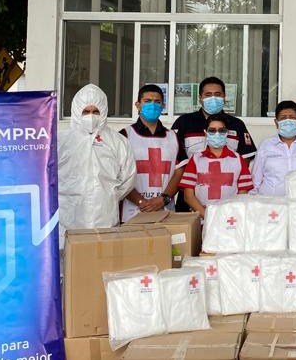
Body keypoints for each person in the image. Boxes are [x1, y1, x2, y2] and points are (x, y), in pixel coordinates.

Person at [57, 83, 136, 244]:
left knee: (103, 254)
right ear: (76, 111)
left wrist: (109, 195)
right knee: (69, 256)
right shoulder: (60, 141)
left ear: (104, 111)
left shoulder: (118, 141)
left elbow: (128, 178)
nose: (91, 116)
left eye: (96, 112)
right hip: (69, 216)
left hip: (105, 216)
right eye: (86, 111)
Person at [172, 76, 257, 210]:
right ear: (200, 98)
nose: (213, 98)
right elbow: (176, 161)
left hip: (228, 199)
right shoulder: (184, 122)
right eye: (208, 95)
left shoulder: (237, 124)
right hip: (189, 196)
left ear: (224, 96)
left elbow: (244, 160)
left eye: (217, 94)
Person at [120, 83, 183, 222]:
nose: (153, 105)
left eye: (157, 102)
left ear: (163, 106)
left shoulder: (173, 136)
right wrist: (141, 202)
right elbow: (118, 173)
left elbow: (180, 171)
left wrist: (163, 199)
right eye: (147, 101)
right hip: (132, 212)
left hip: (166, 211)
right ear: (138, 105)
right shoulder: (124, 135)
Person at [178, 113, 253, 217]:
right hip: (203, 219)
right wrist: (208, 216)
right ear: (205, 133)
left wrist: (227, 216)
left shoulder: (238, 159)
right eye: (212, 130)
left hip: (229, 219)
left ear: (227, 133)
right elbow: (188, 196)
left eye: (221, 130)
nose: (217, 134)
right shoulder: (196, 159)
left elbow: (243, 195)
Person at [252, 100, 296, 195]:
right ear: (276, 122)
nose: (288, 121)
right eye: (283, 118)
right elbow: (256, 180)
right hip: (270, 201)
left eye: (292, 117)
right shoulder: (266, 145)